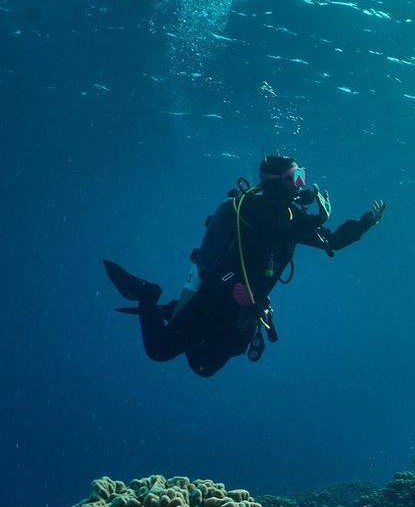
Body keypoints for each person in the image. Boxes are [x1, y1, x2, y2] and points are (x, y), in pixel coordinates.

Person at [104, 154, 387, 377]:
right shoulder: (251, 210)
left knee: (203, 366)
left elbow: (331, 241)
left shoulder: (294, 216)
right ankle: (147, 294)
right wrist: (313, 221)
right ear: (274, 182)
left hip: (245, 308)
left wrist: (365, 223)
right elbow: (271, 234)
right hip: (216, 297)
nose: (300, 185)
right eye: (293, 178)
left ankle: (175, 310)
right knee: (159, 350)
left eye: (302, 176)